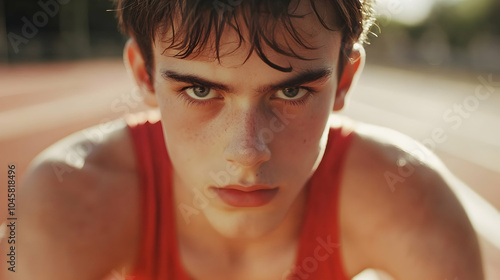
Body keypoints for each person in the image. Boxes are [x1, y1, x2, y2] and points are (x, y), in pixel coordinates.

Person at [2, 0, 484, 279]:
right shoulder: (62, 198)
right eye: (200, 89)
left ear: (344, 80)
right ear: (144, 77)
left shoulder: (411, 199)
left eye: (291, 91)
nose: (248, 152)